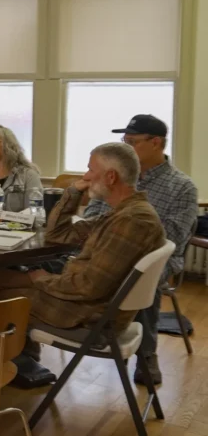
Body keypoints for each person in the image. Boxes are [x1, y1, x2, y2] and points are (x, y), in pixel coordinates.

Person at [0, 143, 165, 385]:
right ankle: (15, 362)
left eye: (91, 170)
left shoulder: (132, 221)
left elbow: (88, 286)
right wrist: (73, 192)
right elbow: (58, 235)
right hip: (84, 301)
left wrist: (39, 279)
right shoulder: (122, 213)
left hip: (87, 315)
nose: (86, 176)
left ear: (111, 177)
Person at [82, 115, 197, 385]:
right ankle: (37, 346)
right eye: (124, 141)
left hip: (157, 257)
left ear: (155, 143)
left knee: (139, 275)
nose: (125, 147)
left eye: (131, 142)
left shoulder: (181, 187)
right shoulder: (114, 176)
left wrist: (126, 241)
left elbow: (174, 239)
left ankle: (146, 354)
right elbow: (91, 218)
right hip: (105, 250)